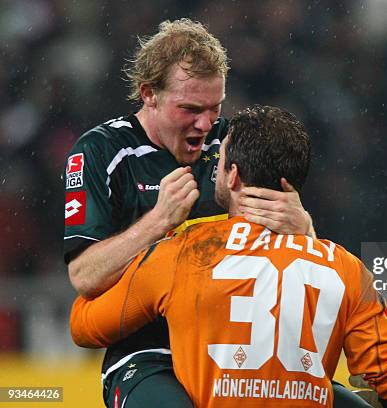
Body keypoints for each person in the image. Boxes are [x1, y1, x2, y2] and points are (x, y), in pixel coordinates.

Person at [70, 105, 387, 407]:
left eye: (219, 159)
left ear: (233, 176)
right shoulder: (345, 268)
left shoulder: (184, 253)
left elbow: (85, 326)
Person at [64, 19, 314, 408]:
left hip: (239, 349)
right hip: (152, 355)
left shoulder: (234, 142)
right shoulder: (101, 151)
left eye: (215, 108)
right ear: (149, 94)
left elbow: (293, 256)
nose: (205, 124)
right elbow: (84, 276)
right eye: (191, 109)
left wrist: (306, 231)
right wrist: (159, 221)